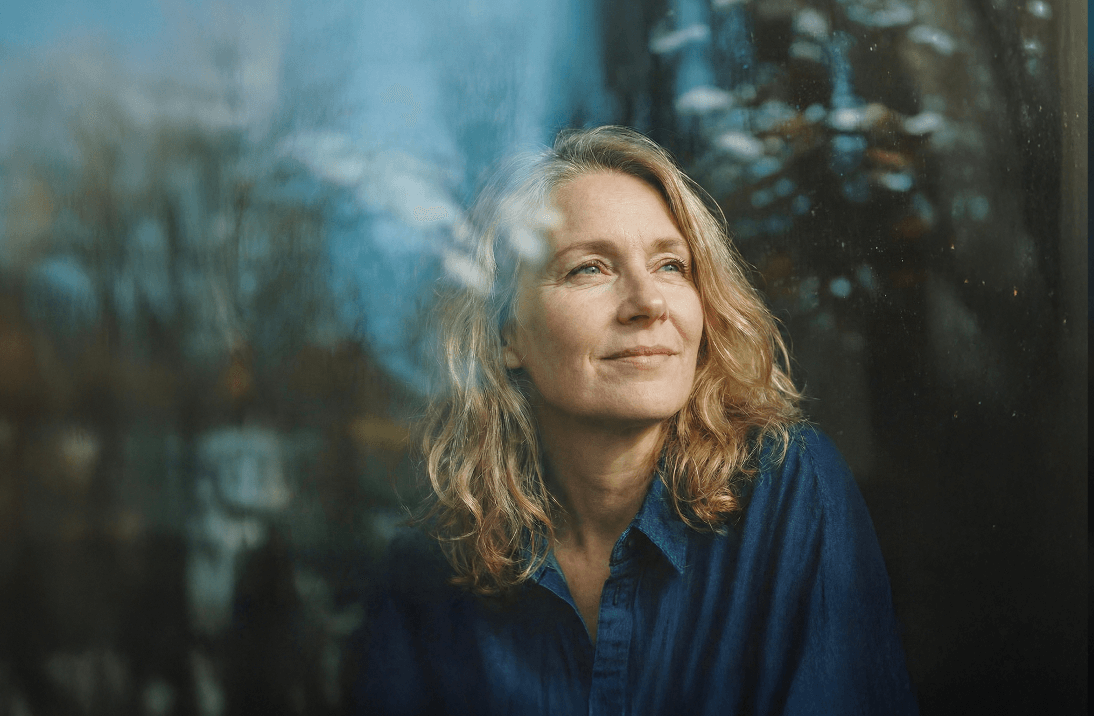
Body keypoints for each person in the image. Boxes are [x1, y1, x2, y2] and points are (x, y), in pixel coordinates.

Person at [352, 126, 918, 715]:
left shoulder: (792, 489)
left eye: (672, 265)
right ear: (507, 333)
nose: (649, 302)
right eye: (589, 269)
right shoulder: (429, 568)